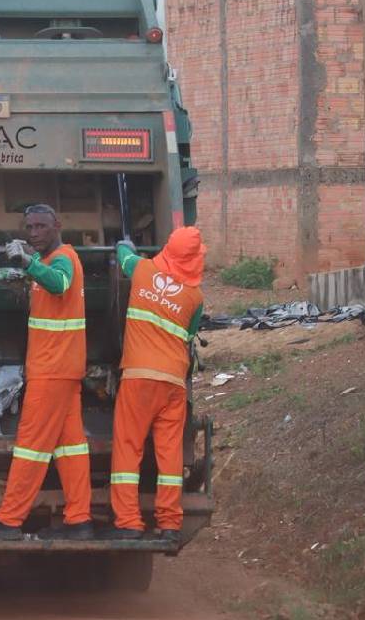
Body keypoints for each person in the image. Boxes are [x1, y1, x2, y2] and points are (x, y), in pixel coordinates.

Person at [0, 204, 93, 540]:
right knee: (70, 446)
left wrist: (27, 262)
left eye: (40, 226)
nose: (34, 232)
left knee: (31, 446)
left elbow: (59, 283)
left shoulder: (62, 259)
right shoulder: (50, 260)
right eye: (29, 227)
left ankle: (9, 520)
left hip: (52, 371)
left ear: (58, 225)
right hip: (63, 369)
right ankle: (79, 519)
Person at [107, 227, 206, 544]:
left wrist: (125, 243)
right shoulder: (196, 297)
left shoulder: (143, 269)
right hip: (173, 383)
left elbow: (123, 257)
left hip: (138, 378)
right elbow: (189, 337)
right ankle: (169, 524)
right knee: (169, 455)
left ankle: (129, 522)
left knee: (128, 448)